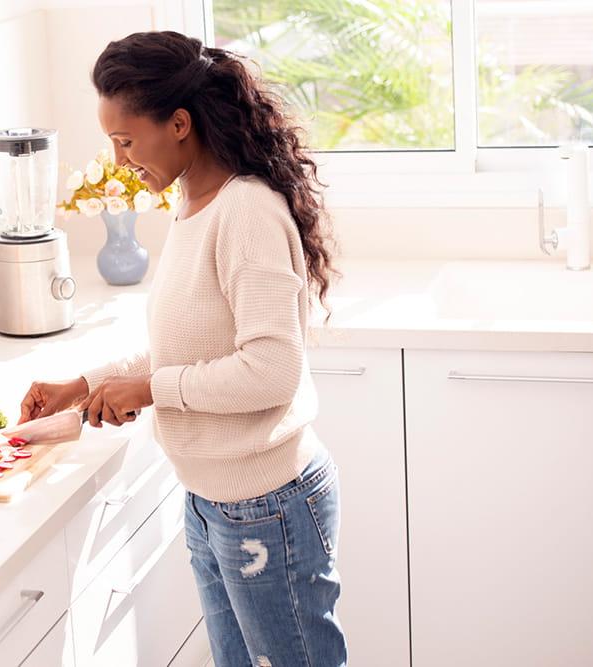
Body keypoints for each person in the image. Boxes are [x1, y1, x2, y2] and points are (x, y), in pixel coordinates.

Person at [18, 30, 347, 667]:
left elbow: (272, 371)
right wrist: (83, 384)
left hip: (267, 506)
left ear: (178, 123)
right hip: (212, 502)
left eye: (125, 139)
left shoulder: (246, 211)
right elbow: (189, 348)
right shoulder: (193, 204)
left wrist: (149, 391)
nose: (118, 160)